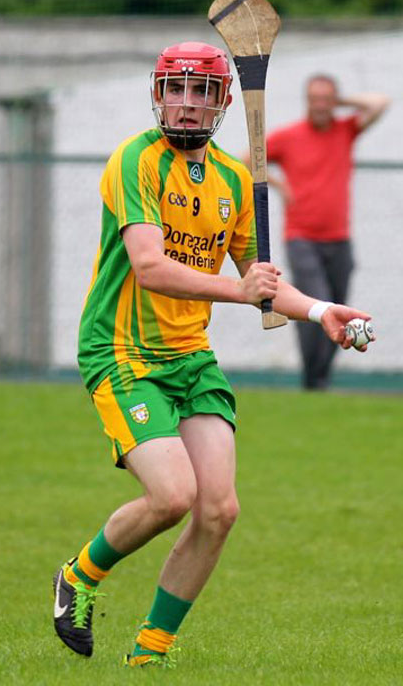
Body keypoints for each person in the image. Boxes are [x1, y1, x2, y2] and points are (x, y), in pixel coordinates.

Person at [53, 43, 373, 668]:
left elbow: (261, 277)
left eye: (203, 92)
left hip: (189, 356)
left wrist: (319, 310)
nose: (189, 104)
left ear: (225, 102)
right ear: (158, 93)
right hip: (123, 353)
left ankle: (151, 654)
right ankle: (79, 575)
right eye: (177, 88)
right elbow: (149, 267)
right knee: (172, 497)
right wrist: (239, 290)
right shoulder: (134, 161)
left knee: (219, 508)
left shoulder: (231, 179)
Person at [259, 75, 389, 390]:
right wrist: (279, 186)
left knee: (340, 304)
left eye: (326, 99)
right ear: (306, 101)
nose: (320, 105)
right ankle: (313, 380)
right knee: (316, 304)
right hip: (301, 238)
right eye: (315, 99)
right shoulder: (289, 137)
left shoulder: (345, 131)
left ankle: (320, 377)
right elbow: (247, 161)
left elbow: (380, 103)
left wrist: (340, 103)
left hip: (339, 239)